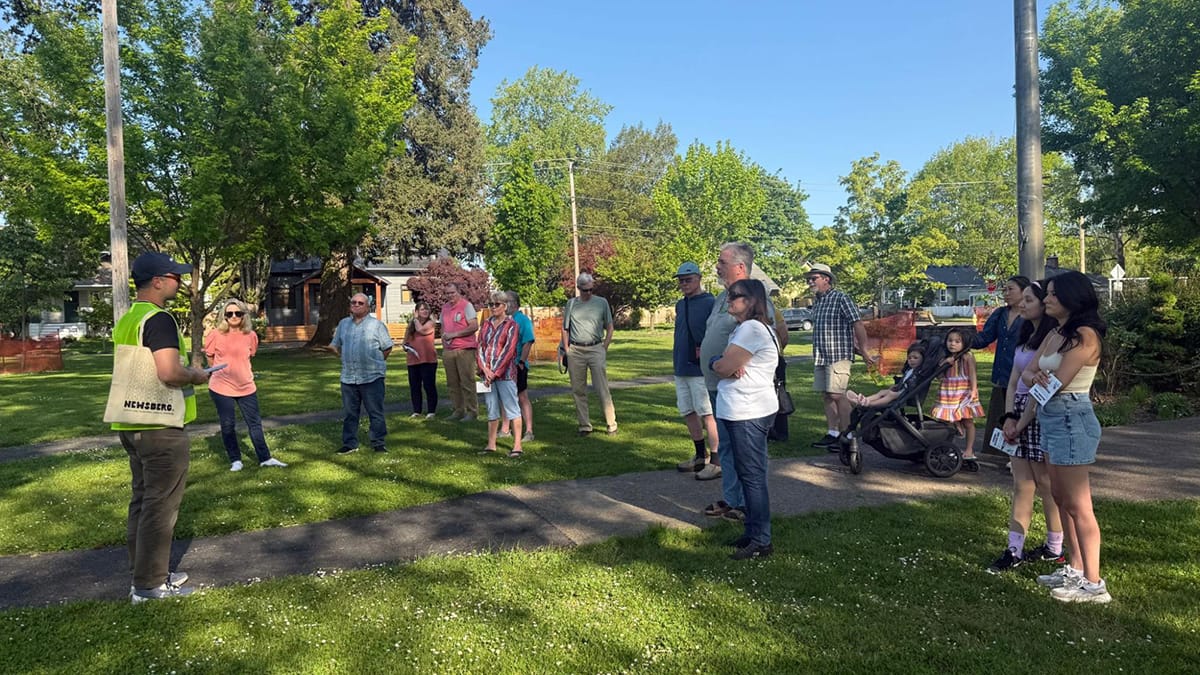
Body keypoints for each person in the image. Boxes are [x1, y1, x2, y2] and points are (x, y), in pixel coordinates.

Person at [112, 251, 209, 602]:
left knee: (142, 500)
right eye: (174, 276)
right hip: (160, 427)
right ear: (157, 281)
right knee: (160, 505)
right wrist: (195, 375)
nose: (179, 282)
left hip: (131, 422)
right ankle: (150, 585)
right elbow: (168, 372)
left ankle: (144, 573)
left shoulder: (129, 318)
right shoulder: (159, 318)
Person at [1011, 271, 1108, 603]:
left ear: (1072, 298)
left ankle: (1093, 584)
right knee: (1060, 498)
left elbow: (1058, 382)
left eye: (1053, 294)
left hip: (1071, 417)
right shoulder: (1055, 333)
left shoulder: (1085, 335)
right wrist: (1037, 378)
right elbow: (1028, 373)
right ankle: (1075, 568)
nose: (1047, 299)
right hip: (1049, 417)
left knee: (1079, 504)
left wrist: (1040, 378)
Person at [699, 243, 788, 519]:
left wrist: (744, 363)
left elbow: (778, 336)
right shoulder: (723, 297)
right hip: (719, 386)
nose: (717, 266)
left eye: (721, 262)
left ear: (739, 267)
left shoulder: (755, 299)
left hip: (742, 394)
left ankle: (746, 507)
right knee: (727, 447)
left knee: (745, 454)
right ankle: (732, 498)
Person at [988, 280, 1064, 573]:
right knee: (1022, 484)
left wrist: (1021, 422)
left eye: (1029, 300)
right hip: (1017, 411)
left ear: (1043, 305)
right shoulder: (1024, 335)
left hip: (1037, 412)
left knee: (1045, 483)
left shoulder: (1052, 340)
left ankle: (1054, 546)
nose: (1022, 304)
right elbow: (1014, 380)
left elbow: (1040, 386)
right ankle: (1014, 549)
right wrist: (1009, 416)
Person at [710, 279, 779, 560]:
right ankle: (752, 533)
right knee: (748, 474)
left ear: (750, 301)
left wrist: (720, 363)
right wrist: (721, 362)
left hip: (748, 412)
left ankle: (761, 541)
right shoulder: (747, 328)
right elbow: (724, 364)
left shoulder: (752, 328)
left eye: (734, 296)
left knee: (752, 478)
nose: (729, 300)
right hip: (742, 410)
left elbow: (724, 366)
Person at [203, 299, 286, 472]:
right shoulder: (215, 335)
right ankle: (235, 460)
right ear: (224, 316)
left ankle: (265, 458)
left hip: (246, 386)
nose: (234, 316)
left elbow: (249, 356)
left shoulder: (251, 336)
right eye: (229, 313)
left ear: (243, 315)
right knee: (228, 425)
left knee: (255, 423)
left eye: (238, 313)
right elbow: (210, 358)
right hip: (221, 387)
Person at [806, 263, 878, 451]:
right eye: (809, 279)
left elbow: (857, 324)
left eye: (814, 278)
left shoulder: (841, 298)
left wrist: (864, 350)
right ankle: (833, 433)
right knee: (827, 395)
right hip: (821, 356)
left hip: (838, 355)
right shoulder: (818, 301)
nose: (810, 282)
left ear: (826, 279)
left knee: (837, 394)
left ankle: (847, 435)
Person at [330, 293, 394, 454]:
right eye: (353, 302)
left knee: (375, 412)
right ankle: (350, 443)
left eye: (360, 303)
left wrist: (376, 362)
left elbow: (387, 347)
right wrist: (344, 357)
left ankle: (378, 443)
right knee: (350, 413)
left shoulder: (377, 325)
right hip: (349, 378)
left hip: (372, 377)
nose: (356, 305)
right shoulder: (343, 324)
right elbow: (334, 345)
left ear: (367, 306)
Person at [671, 262, 719, 478]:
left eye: (688, 279)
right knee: (687, 411)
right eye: (681, 280)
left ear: (699, 278)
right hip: (681, 365)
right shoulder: (680, 305)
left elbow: (716, 332)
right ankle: (700, 455)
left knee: (707, 413)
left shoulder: (710, 302)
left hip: (700, 369)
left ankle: (716, 460)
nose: (684, 284)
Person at [973, 276, 1030, 456]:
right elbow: (984, 338)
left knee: (1023, 415)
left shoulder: (1031, 316)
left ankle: (1021, 455)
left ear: (1024, 291)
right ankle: (1007, 454)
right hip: (1003, 373)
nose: (1006, 293)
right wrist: (962, 340)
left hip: (1024, 374)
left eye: (1010, 289)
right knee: (1006, 414)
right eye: (1004, 289)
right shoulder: (1000, 314)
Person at [561, 272, 617, 436]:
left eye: (591, 289)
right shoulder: (571, 304)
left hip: (596, 348)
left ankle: (611, 424)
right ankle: (584, 426)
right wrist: (567, 349)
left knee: (602, 388)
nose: (589, 293)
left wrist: (604, 347)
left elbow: (610, 326)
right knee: (578, 390)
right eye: (585, 290)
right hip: (576, 350)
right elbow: (565, 329)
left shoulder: (601, 303)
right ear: (579, 288)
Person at [931, 327, 984, 471]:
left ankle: (969, 449)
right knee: (947, 419)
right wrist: (944, 364)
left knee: (968, 421)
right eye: (950, 341)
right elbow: (939, 376)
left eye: (957, 341)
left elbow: (972, 374)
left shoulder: (967, 356)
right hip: (949, 391)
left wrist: (973, 389)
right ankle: (953, 434)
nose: (952, 344)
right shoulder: (944, 358)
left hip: (963, 391)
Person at [478, 292, 523, 457]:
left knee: (512, 409)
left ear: (505, 306)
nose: (493, 307)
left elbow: (509, 351)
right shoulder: (485, 324)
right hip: (487, 376)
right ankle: (491, 444)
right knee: (491, 409)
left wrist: (495, 372)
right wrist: (485, 370)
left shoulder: (512, 325)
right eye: (491, 304)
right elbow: (480, 347)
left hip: (505, 375)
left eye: (497, 304)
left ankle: (517, 445)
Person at [499, 291, 536, 441]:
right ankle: (505, 429)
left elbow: (528, 341)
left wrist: (521, 361)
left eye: (506, 301)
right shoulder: (503, 320)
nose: (503, 304)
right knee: (505, 397)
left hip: (517, 365)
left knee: (522, 396)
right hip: (504, 365)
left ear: (514, 303)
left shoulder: (523, 320)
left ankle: (529, 431)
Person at [846, 340, 926, 409]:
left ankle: (869, 404)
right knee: (882, 392)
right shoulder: (909, 370)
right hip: (902, 391)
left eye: (915, 358)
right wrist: (897, 386)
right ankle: (864, 400)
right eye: (909, 358)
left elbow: (913, 385)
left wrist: (900, 390)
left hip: (909, 394)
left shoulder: (920, 372)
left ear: (923, 359)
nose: (912, 360)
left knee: (891, 395)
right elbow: (905, 381)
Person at [440, 282, 479, 421]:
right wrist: (444, 340)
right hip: (449, 350)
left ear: (458, 292)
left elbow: (474, 326)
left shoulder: (466, 306)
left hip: (465, 349)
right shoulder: (444, 308)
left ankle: (472, 411)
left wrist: (455, 335)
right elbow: (443, 327)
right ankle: (458, 410)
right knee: (452, 383)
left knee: (467, 381)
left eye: (452, 292)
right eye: (448, 293)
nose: (450, 295)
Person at [403, 301, 439, 419]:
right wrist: (406, 346)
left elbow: (422, 330)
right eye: (422, 309)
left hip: (428, 360)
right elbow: (405, 340)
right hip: (413, 360)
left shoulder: (430, 323)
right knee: (414, 386)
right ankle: (417, 410)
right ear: (417, 311)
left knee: (429, 385)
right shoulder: (411, 325)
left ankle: (431, 411)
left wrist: (415, 319)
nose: (425, 311)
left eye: (427, 309)